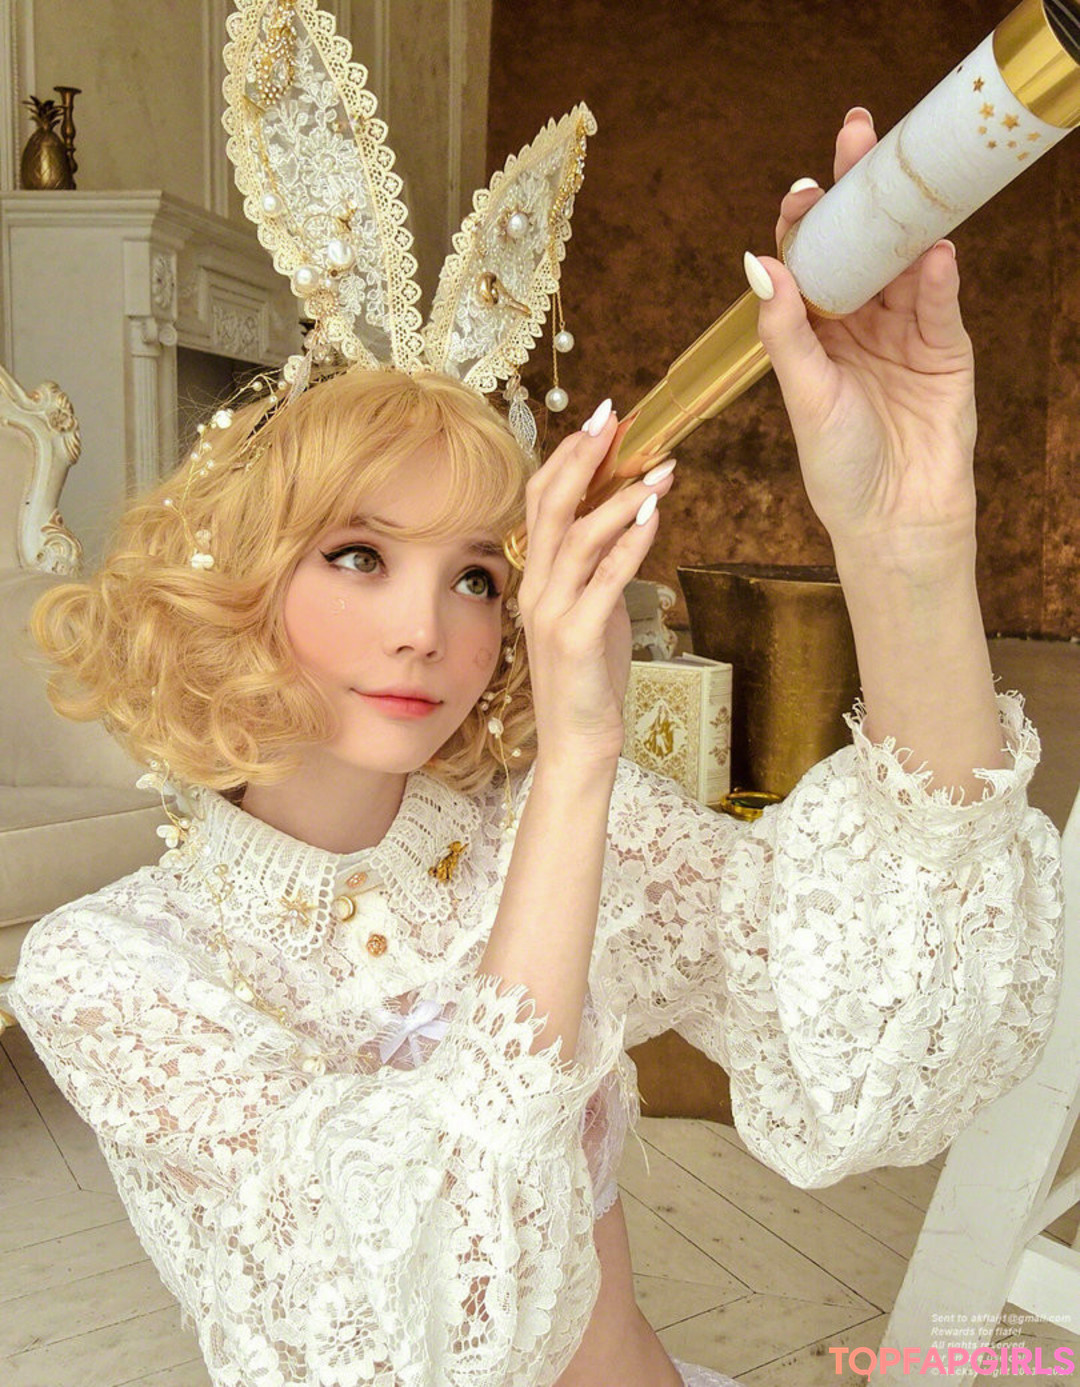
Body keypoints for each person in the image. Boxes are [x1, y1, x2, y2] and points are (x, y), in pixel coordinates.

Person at [8, 106, 1062, 1387]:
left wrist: (909, 541)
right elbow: (427, 1325)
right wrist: (571, 770)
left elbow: (886, 1026)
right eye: (358, 554)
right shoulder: (111, 970)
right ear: (233, 575)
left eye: (477, 576)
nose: (426, 630)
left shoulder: (552, 828)